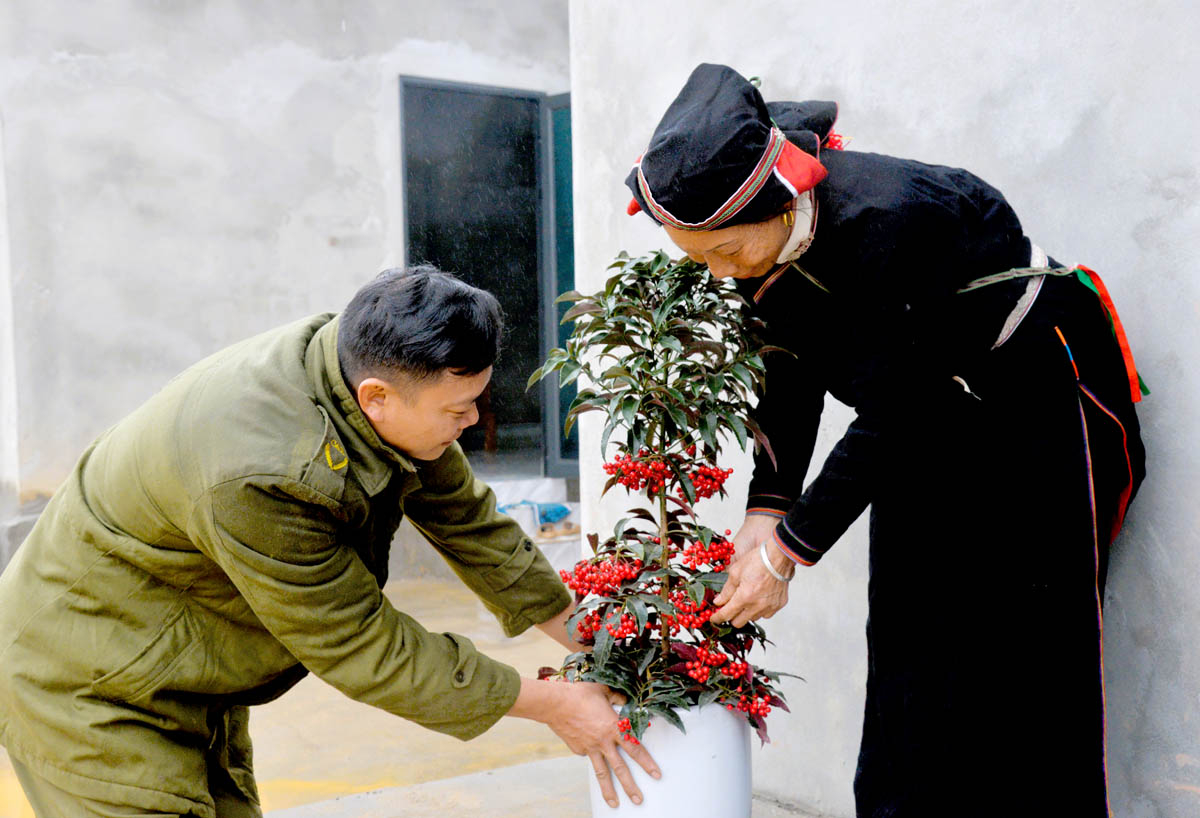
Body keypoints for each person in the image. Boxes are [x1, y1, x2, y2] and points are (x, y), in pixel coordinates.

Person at [624, 63, 1146, 817]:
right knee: (909, 642)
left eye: (725, 251)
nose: (721, 273)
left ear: (777, 199)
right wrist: (766, 510)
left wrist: (790, 549)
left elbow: (904, 402)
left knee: (1033, 648)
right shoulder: (758, 248)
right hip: (924, 416)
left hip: (1033, 405)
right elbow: (789, 369)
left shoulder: (894, 216)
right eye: (698, 259)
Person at [0, 266, 658, 817]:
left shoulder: (371, 374)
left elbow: (471, 524)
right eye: (458, 411)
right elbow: (362, 645)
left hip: (181, 658)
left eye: (478, 403)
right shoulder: (264, 474)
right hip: (89, 677)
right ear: (376, 399)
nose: (472, 424)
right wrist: (552, 703)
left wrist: (599, 643)